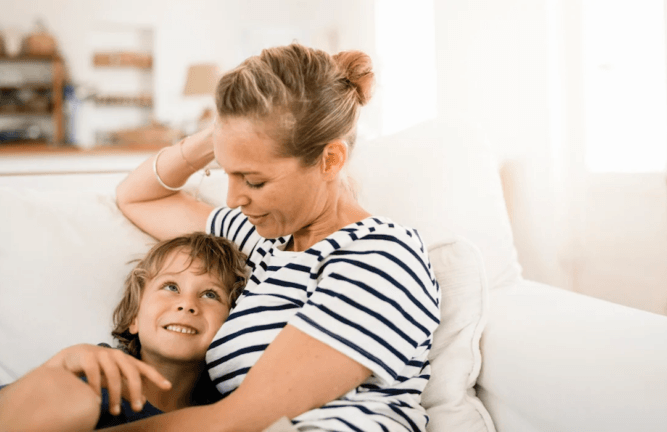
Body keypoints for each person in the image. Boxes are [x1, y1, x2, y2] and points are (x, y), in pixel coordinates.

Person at [112, 43, 441, 432]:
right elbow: (137, 197)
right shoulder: (262, 241)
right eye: (227, 172)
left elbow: (240, 418)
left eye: (254, 180)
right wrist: (220, 134)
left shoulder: (382, 258)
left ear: (330, 160)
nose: (234, 199)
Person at [0, 232, 247, 432]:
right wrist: (58, 366)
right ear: (134, 316)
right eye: (171, 287)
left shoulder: (231, 405)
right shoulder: (89, 372)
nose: (187, 304)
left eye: (210, 294)